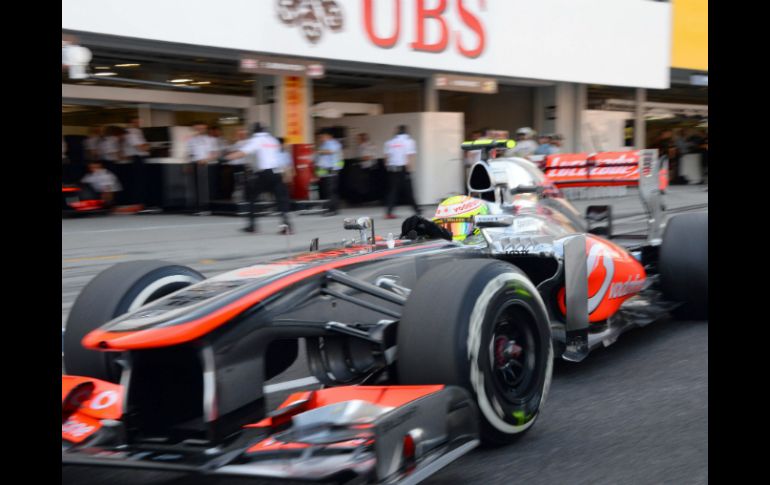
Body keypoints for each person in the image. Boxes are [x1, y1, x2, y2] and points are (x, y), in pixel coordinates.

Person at [225, 123, 293, 234]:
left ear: (254, 131)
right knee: (281, 200)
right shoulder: (273, 140)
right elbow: (279, 157)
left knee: (251, 197)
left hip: (264, 174)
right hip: (278, 173)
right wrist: (286, 173)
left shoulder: (256, 140)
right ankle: (286, 226)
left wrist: (225, 158)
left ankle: (252, 226)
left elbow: (243, 152)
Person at [384, 125, 421, 219]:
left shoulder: (390, 142)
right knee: (409, 190)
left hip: (392, 169)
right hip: (403, 169)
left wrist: (388, 167)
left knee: (393, 191)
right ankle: (416, 209)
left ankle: (388, 212)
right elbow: (409, 156)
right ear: (406, 132)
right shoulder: (409, 142)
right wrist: (409, 169)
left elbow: (386, 157)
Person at [186, 121, 218, 215]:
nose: (200, 130)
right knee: (196, 187)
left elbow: (215, 154)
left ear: (205, 129)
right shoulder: (191, 140)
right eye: (197, 129)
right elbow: (190, 153)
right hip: (195, 164)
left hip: (207, 165)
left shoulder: (211, 140)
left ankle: (207, 208)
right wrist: (188, 164)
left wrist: (205, 160)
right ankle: (198, 208)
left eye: (202, 128)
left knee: (206, 188)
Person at [315, 129, 344, 216]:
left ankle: (332, 210)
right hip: (326, 171)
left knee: (331, 191)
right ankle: (331, 208)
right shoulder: (324, 144)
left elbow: (331, 151)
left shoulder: (333, 143)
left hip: (332, 170)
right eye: (319, 137)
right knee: (328, 191)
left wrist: (318, 151)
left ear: (328, 136)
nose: (320, 138)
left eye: (322, 137)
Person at [124, 117, 151, 207]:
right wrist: (147, 146)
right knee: (139, 181)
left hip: (139, 158)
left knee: (140, 181)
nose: (139, 123)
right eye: (136, 121)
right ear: (131, 122)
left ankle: (141, 201)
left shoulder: (137, 132)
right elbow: (141, 147)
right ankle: (139, 201)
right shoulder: (132, 132)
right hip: (138, 158)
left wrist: (146, 146)